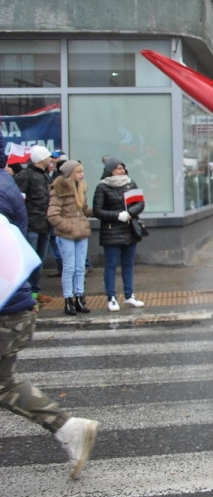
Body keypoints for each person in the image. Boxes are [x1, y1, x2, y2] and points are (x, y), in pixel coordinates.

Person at [1, 168, 100, 480]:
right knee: (3, 383)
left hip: (6, 307)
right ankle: (69, 428)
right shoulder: (6, 185)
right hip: (13, 304)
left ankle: (69, 427)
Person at [93, 158, 146, 311]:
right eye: (118, 168)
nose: (121, 171)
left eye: (122, 168)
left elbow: (140, 203)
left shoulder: (130, 183)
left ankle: (129, 296)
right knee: (111, 265)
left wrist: (130, 213)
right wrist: (117, 215)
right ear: (110, 171)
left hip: (130, 229)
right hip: (111, 231)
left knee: (128, 264)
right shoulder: (102, 187)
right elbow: (98, 210)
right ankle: (111, 298)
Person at [47, 160, 93, 315]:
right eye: (79, 172)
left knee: (80, 268)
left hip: (81, 232)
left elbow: (84, 210)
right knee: (69, 268)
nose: (82, 174)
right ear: (70, 174)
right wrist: (69, 227)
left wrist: (98, 211)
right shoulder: (58, 190)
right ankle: (68, 299)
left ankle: (79, 297)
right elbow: (53, 215)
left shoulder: (81, 188)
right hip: (67, 234)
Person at [14, 145, 54, 304]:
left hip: (45, 224)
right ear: (42, 159)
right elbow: (19, 200)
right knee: (29, 260)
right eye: (48, 156)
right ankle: (26, 293)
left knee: (40, 260)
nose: (51, 159)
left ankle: (35, 292)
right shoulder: (25, 176)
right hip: (31, 224)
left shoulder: (46, 176)